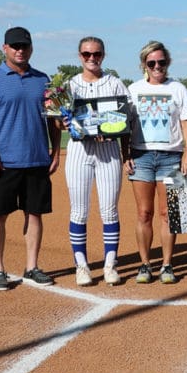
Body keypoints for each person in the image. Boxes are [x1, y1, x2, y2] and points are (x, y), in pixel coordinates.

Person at [0, 26, 61, 291]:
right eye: (15, 46)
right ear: (5, 49)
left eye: (25, 46)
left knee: (35, 214)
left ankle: (32, 267)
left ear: (31, 48)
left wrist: (55, 152)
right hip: (4, 162)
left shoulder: (44, 80)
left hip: (37, 161)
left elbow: (54, 120)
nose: (20, 50)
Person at [64, 36, 131, 287]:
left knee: (109, 210)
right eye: (86, 54)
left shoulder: (114, 83)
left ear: (103, 55)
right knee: (79, 211)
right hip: (80, 150)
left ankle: (109, 264)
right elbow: (60, 120)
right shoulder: (70, 85)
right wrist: (65, 122)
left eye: (97, 54)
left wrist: (125, 151)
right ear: (79, 55)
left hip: (108, 152)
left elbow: (126, 120)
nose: (92, 58)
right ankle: (81, 266)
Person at [126, 41, 187, 285]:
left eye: (161, 62)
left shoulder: (178, 89)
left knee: (168, 214)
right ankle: (145, 265)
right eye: (151, 63)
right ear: (144, 64)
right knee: (144, 213)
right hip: (141, 156)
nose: (157, 67)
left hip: (171, 157)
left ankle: (167, 265)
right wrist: (126, 155)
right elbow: (125, 126)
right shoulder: (133, 90)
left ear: (168, 63)